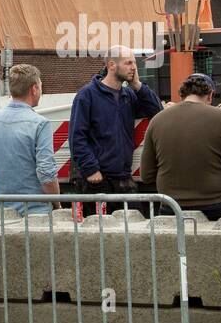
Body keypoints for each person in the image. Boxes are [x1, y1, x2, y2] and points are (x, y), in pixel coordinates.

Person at [140, 73, 221, 220]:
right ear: (210, 95)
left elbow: (146, 175)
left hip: (171, 207)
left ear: (183, 94)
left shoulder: (157, 120)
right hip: (215, 205)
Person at [68, 45, 163, 206]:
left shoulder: (128, 95)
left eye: (134, 63)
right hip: (96, 180)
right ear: (112, 65)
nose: (134, 67)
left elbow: (157, 111)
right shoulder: (87, 95)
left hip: (123, 178)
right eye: (128, 63)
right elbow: (77, 137)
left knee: (133, 226)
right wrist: (91, 169)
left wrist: (138, 85)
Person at [0, 64, 60, 214]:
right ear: (34, 89)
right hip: (37, 216)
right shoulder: (40, 124)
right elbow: (47, 175)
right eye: (41, 87)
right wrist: (57, 205)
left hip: (2, 218)